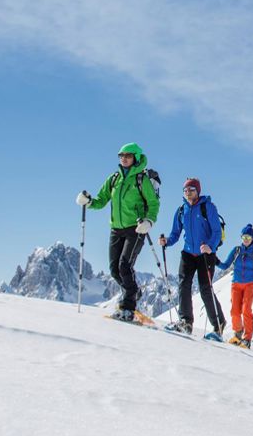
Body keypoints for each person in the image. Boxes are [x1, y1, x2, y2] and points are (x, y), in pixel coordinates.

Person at [76, 142, 160, 322]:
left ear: (136, 158)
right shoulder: (114, 179)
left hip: (136, 228)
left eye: (128, 156)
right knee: (114, 269)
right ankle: (133, 292)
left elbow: (153, 203)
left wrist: (149, 221)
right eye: (121, 155)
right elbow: (101, 200)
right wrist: (88, 201)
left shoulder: (141, 179)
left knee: (124, 265)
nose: (124, 158)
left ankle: (127, 308)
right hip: (116, 229)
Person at [159, 177, 224, 338]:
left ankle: (218, 325)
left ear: (198, 191)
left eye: (191, 190)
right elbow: (176, 233)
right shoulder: (182, 210)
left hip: (205, 254)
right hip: (188, 253)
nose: (188, 193)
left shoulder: (207, 207)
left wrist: (210, 246)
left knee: (205, 289)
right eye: (186, 190)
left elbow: (216, 231)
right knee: (184, 285)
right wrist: (167, 241)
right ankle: (186, 322)